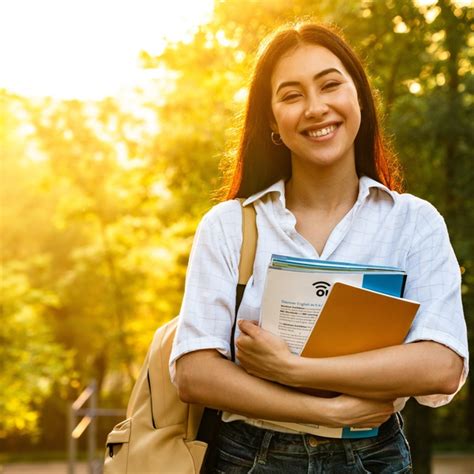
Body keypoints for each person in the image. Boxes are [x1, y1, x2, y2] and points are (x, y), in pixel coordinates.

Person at [169, 22, 468, 473]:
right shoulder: (229, 226)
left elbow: (441, 364)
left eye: (330, 85)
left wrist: (293, 370)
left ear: (358, 98)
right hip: (250, 458)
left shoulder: (413, 222)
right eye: (291, 95)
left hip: (375, 457)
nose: (315, 108)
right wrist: (326, 413)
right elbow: (194, 371)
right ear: (272, 120)